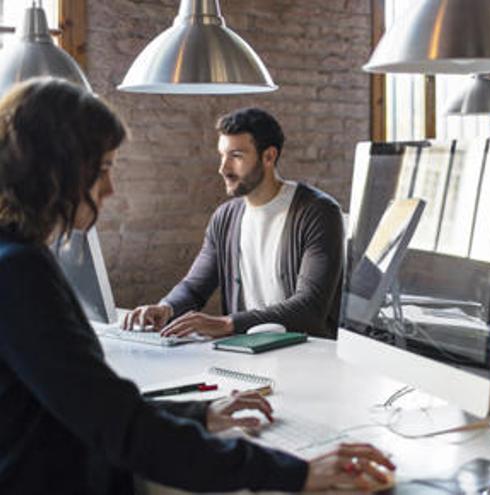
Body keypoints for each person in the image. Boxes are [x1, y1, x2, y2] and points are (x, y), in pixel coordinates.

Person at [0, 78, 393, 493]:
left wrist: (201, 413)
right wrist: (295, 472)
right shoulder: (19, 272)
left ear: (269, 156)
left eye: (236, 156)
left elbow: (95, 407)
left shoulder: (18, 260)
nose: (111, 188)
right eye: (102, 170)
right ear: (55, 169)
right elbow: (120, 426)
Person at [123, 107, 344, 339]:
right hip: (244, 356)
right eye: (222, 155)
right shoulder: (225, 218)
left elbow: (310, 308)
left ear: (269, 156)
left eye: (236, 156)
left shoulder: (318, 212)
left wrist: (228, 323)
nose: (223, 169)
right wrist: (166, 308)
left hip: (306, 357)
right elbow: (194, 288)